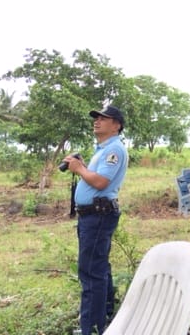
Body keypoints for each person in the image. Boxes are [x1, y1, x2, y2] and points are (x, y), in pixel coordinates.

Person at [62, 105, 128, 335]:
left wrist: (80, 169)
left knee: (90, 271)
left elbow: (100, 182)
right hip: (93, 215)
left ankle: (90, 328)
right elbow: (96, 177)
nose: (97, 121)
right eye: (96, 118)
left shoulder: (114, 150)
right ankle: (105, 318)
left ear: (116, 125)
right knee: (99, 267)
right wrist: (83, 167)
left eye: (103, 118)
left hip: (98, 215)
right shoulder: (103, 149)